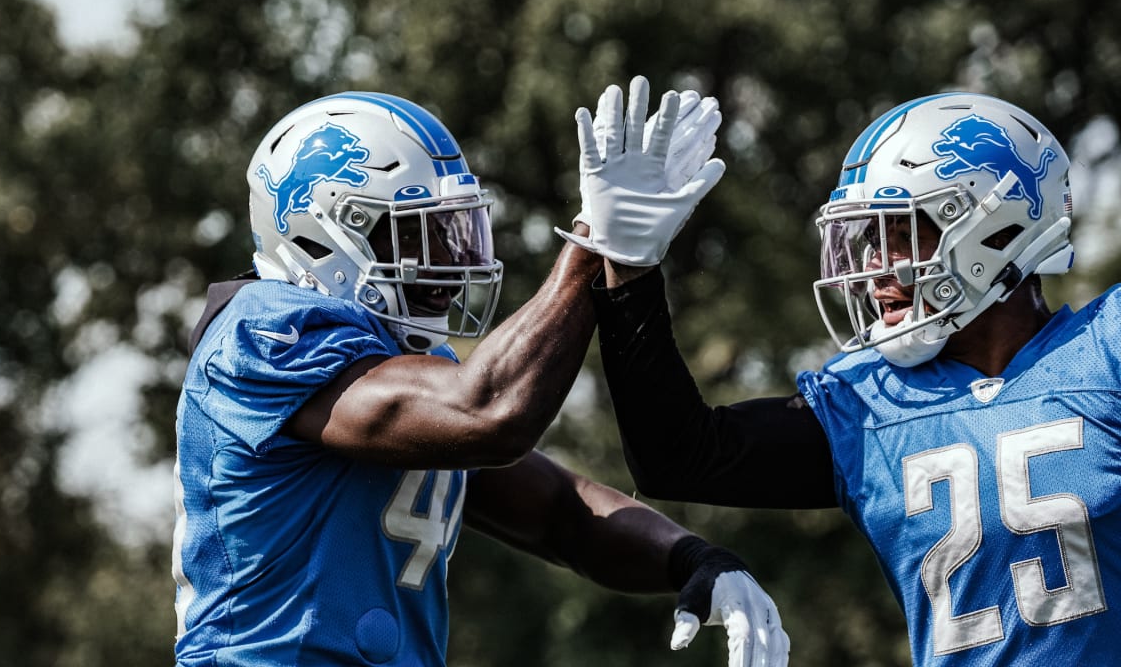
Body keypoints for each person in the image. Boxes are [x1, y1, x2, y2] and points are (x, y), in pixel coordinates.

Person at [170, 81, 790, 666]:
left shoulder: (397, 373)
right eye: (419, 236)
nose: (448, 262)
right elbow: (489, 413)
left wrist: (692, 558)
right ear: (324, 234)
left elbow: (559, 513)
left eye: (452, 231)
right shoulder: (263, 337)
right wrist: (598, 241)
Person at [585, 90, 1119, 666]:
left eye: (902, 233)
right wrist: (631, 268)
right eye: (870, 239)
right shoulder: (868, 404)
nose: (872, 267)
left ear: (997, 227)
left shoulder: (1105, 351)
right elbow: (678, 456)